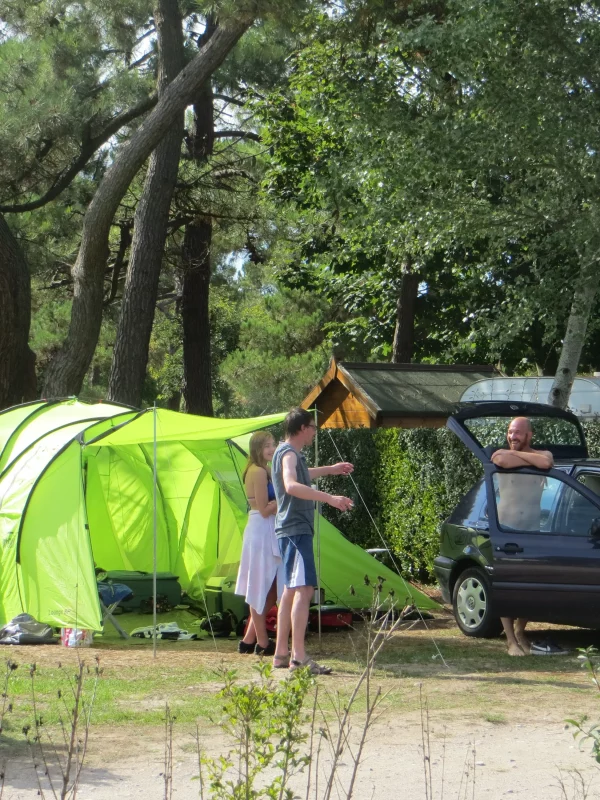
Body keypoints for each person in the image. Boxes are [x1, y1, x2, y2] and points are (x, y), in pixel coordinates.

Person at [271, 407, 354, 675]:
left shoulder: (288, 453)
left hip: (289, 530)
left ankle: (281, 655)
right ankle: (298, 658)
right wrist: (330, 499)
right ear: (303, 428)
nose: (315, 432)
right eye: (313, 427)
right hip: (296, 531)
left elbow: (304, 474)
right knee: (305, 591)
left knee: (290, 592)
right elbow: (292, 485)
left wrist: (331, 470)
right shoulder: (288, 454)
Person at [491, 416, 554, 656]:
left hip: (533, 531)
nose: (512, 437)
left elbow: (546, 462)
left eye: (518, 433)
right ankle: (510, 642)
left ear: (529, 435)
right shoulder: (500, 454)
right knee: (508, 587)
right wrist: (529, 458)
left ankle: (520, 631)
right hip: (507, 530)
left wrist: (524, 456)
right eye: (510, 432)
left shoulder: (543, 454)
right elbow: (502, 460)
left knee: (531, 587)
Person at [235, 430, 284, 656]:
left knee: (272, 589)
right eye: (267, 446)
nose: (271, 449)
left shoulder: (266, 469)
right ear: (257, 449)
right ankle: (263, 643)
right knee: (258, 587)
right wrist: (283, 499)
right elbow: (264, 510)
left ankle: (248, 639)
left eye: (272, 444)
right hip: (260, 530)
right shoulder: (256, 472)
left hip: (269, 530)